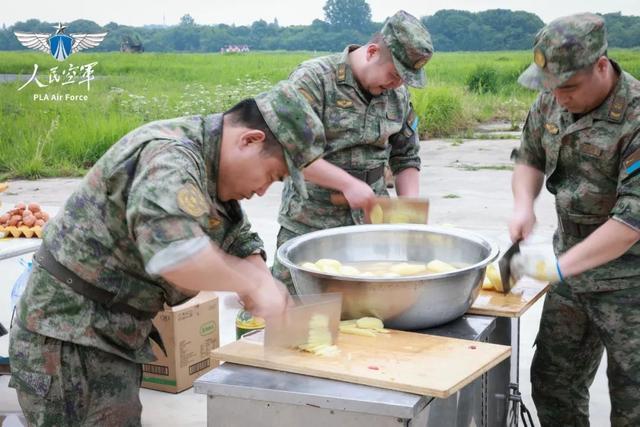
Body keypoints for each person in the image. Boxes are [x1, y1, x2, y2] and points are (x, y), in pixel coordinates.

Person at [9, 81, 325, 426]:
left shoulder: (209, 161)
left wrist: (263, 280)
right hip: (69, 335)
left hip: (105, 334)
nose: (263, 190)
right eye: (272, 176)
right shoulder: (170, 158)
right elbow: (176, 255)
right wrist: (253, 284)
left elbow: (237, 233)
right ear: (249, 140)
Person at [509, 13, 640, 427]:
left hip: (629, 283)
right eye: (551, 86)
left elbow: (630, 222)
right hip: (571, 275)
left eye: (568, 87)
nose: (558, 97)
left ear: (602, 66)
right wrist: (523, 205)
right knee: (553, 383)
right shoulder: (552, 96)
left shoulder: (635, 118)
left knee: (632, 400)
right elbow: (529, 157)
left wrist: (558, 268)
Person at [272, 10, 434, 293]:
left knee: (370, 318)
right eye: (394, 74)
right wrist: (347, 183)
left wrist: (410, 212)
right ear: (372, 52)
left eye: (404, 80)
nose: (397, 84)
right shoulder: (313, 80)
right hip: (311, 224)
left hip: (373, 227)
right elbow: (292, 149)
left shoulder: (397, 94)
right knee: (299, 316)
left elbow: (406, 156)